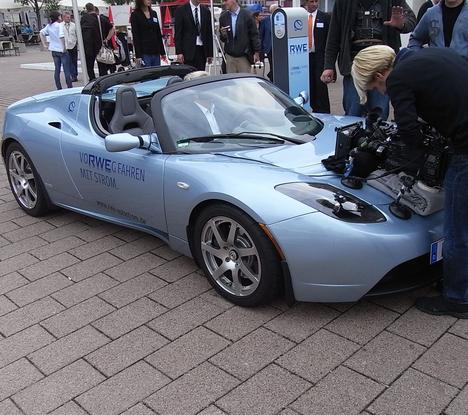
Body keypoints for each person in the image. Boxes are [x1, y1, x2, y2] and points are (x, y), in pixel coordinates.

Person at [351, 45, 468, 319]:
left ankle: (458, 297)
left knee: (457, 224)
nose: (380, 92)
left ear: (381, 74)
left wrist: (397, 161)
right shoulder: (421, 53)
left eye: (375, 87)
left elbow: (409, 132)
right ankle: (460, 275)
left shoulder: (398, 78)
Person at [320, 0, 416, 119]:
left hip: (383, 67)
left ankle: (378, 137)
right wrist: (328, 66)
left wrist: (401, 24)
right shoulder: (343, 2)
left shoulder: (393, 1)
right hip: (353, 67)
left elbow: (411, 20)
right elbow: (334, 34)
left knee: (380, 114)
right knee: (353, 113)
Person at [302, 0, 331, 113]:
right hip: (304, 57)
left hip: (320, 57)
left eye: (316, 1)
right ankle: (312, 109)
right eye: (311, 1)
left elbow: (329, 39)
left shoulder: (325, 17)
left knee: (321, 86)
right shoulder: (300, 17)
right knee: (309, 84)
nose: (314, 4)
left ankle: (324, 111)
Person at [219, 0, 261, 73]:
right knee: (231, 82)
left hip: (244, 56)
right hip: (230, 57)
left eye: (226, 0)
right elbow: (223, 39)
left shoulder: (247, 15)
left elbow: (254, 35)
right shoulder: (223, 17)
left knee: (245, 82)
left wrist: (256, 52)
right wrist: (223, 35)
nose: (224, 3)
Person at [174, 0, 213, 71]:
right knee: (189, 76)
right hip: (187, 51)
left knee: (200, 76)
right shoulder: (181, 10)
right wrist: (179, 52)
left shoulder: (206, 11)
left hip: (202, 50)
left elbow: (208, 33)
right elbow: (178, 33)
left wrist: (210, 53)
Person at [40, 11, 72, 90]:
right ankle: (69, 87)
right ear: (58, 17)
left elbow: (41, 33)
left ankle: (59, 87)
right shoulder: (59, 25)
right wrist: (64, 47)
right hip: (61, 49)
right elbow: (61, 36)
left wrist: (44, 44)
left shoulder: (49, 26)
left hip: (53, 49)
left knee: (57, 69)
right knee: (66, 70)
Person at [130, 0, 167, 67]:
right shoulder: (135, 15)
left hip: (156, 50)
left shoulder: (154, 13)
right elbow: (135, 36)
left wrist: (162, 52)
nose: (149, 0)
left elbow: (158, 33)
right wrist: (138, 55)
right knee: (148, 74)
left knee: (157, 74)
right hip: (144, 52)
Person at [259, 4, 279, 82]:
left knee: (278, 66)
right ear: (272, 11)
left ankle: (274, 77)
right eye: (276, 10)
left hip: (279, 47)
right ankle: (272, 79)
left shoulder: (282, 19)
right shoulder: (265, 21)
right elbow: (261, 35)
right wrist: (261, 49)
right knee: (272, 65)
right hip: (269, 48)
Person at [95, 6, 116, 76]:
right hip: (106, 44)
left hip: (103, 45)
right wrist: (107, 39)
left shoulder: (101, 19)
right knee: (109, 63)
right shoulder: (103, 19)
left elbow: (112, 29)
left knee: (103, 64)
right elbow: (112, 29)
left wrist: (107, 39)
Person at [61, 12, 78, 82]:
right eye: (67, 17)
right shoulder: (60, 25)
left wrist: (77, 42)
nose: (69, 18)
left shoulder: (74, 25)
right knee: (68, 61)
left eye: (69, 17)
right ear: (64, 18)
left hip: (73, 45)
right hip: (65, 46)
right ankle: (72, 75)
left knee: (74, 61)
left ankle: (75, 74)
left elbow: (77, 34)